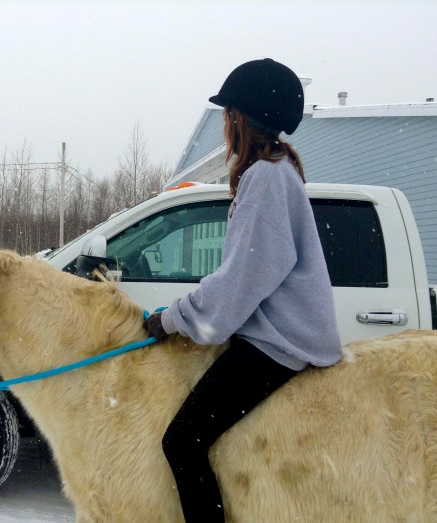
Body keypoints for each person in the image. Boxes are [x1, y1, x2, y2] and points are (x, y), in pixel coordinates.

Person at [143, 58, 343, 523]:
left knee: (182, 440)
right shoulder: (278, 171)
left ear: (241, 119)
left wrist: (172, 319)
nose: (224, 126)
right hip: (275, 337)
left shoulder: (266, 178)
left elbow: (238, 284)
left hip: (277, 345)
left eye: (227, 115)